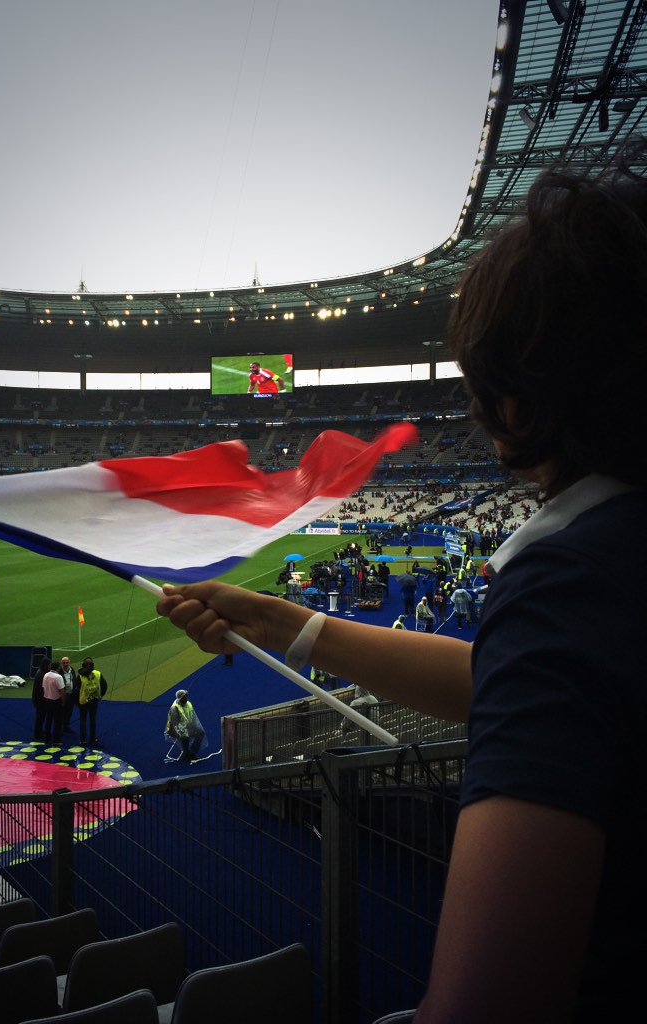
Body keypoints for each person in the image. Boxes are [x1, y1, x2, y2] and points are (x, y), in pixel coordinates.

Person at [156, 151, 647, 1022]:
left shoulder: (575, 581)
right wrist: (279, 620)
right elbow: (516, 685)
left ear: (515, 401)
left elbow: (488, 1001)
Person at [165, 689, 206, 762]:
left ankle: (191, 752)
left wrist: (193, 726)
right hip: (173, 729)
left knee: (200, 732)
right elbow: (175, 724)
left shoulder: (188, 704)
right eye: (184, 697)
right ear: (180, 698)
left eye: (187, 697)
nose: (186, 699)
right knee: (185, 736)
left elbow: (193, 717)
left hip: (186, 726)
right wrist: (185, 731)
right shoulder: (174, 708)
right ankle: (185, 753)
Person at [76, 657, 107, 747]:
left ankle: (83, 740)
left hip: (83, 701)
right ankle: (92, 739)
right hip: (94, 700)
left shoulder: (80, 676)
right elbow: (104, 686)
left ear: (83, 665)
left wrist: (77, 701)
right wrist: (99, 696)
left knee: (83, 720)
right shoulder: (97, 673)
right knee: (92, 720)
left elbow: (76, 690)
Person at [41, 660, 65, 744]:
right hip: (56, 701)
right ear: (58, 668)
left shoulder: (46, 675)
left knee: (48, 719)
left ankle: (47, 738)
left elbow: (43, 687)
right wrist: (63, 702)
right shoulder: (58, 677)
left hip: (47, 700)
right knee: (57, 721)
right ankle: (56, 740)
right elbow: (62, 691)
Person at [32, 656, 51, 741]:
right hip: (41, 700)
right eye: (49, 665)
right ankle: (38, 733)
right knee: (40, 717)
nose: (50, 666)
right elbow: (41, 689)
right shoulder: (41, 675)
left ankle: (39, 731)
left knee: (40, 717)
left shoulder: (40, 672)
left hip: (39, 699)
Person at [59, 655, 78, 733]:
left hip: (71, 694)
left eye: (67, 662)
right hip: (63, 695)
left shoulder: (72, 669)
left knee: (69, 711)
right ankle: (60, 728)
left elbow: (74, 680)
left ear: (69, 662)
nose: (65, 664)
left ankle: (66, 726)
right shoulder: (59, 671)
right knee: (61, 712)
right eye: (64, 663)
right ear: (61, 663)